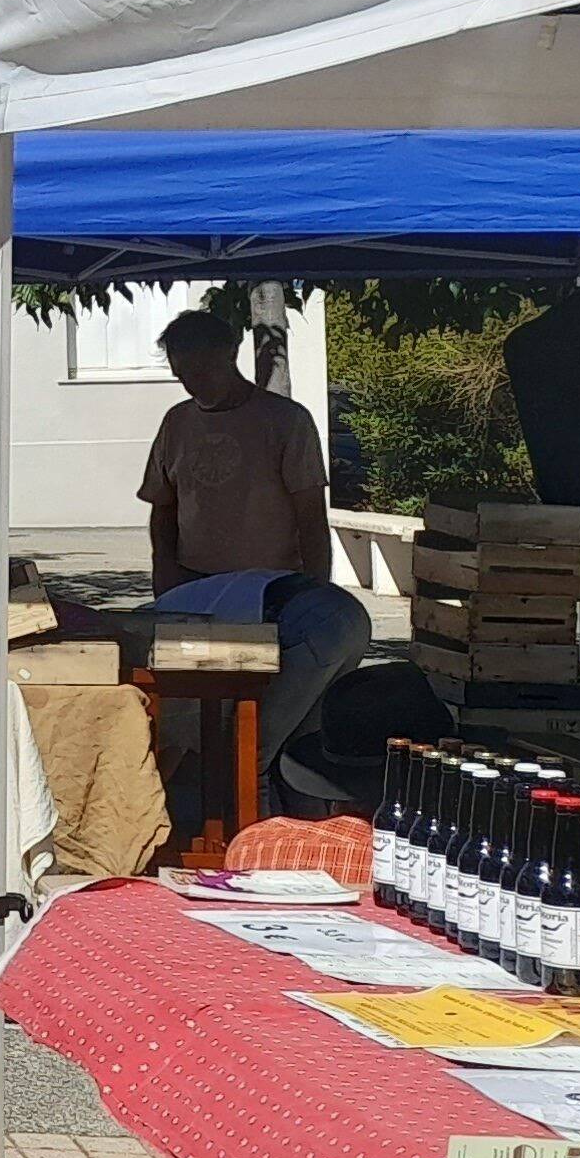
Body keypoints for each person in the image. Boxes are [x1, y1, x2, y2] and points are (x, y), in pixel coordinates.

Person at [142, 307, 369, 807]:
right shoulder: (176, 422)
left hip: (279, 604)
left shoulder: (284, 421)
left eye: (201, 371)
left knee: (260, 746)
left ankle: (271, 848)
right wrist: (165, 572)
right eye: (182, 375)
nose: (192, 385)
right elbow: (163, 506)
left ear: (230, 354)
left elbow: (311, 514)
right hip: (200, 598)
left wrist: (317, 584)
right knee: (208, 732)